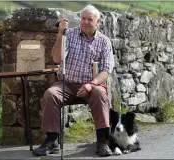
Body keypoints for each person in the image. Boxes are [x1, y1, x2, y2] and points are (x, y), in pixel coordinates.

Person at [32, 4, 115, 157]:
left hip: (91, 85)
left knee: (100, 93)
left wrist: (91, 84)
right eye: (83, 18)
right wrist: (60, 34)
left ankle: (102, 141)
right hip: (67, 84)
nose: (85, 22)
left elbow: (106, 70)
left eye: (90, 19)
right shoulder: (68, 35)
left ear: (98, 22)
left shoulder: (104, 41)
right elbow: (57, 58)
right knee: (51, 94)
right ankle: (52, 141)